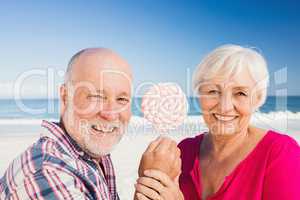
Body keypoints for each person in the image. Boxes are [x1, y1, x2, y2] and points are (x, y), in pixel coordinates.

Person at [0, 48, 181, 199]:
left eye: (121, 99)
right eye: (96, 96)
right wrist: (154, 183)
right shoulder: (49, 174)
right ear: (65, 98)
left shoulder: (90, 156)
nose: (110, 114)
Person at [135, 45, 300, 200]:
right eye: (213, 91)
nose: (225, 106)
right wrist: (149, 181)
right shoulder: (183, 152)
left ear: (257, 99)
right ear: (199, 96)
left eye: (240, 93)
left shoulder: (281, 154)